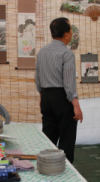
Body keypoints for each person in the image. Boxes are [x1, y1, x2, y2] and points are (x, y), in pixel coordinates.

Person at [35, 17, 83, 163]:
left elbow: (38, 79)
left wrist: (42, 96)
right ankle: (66, 170)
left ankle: (46, 165)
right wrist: (76, 105)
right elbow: (69, 84)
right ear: (66, 34)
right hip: (62, 98)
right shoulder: (67, 54)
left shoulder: (42, 52)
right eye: (70, 30)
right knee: (67, 138)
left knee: (49, 135)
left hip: (46, 97)